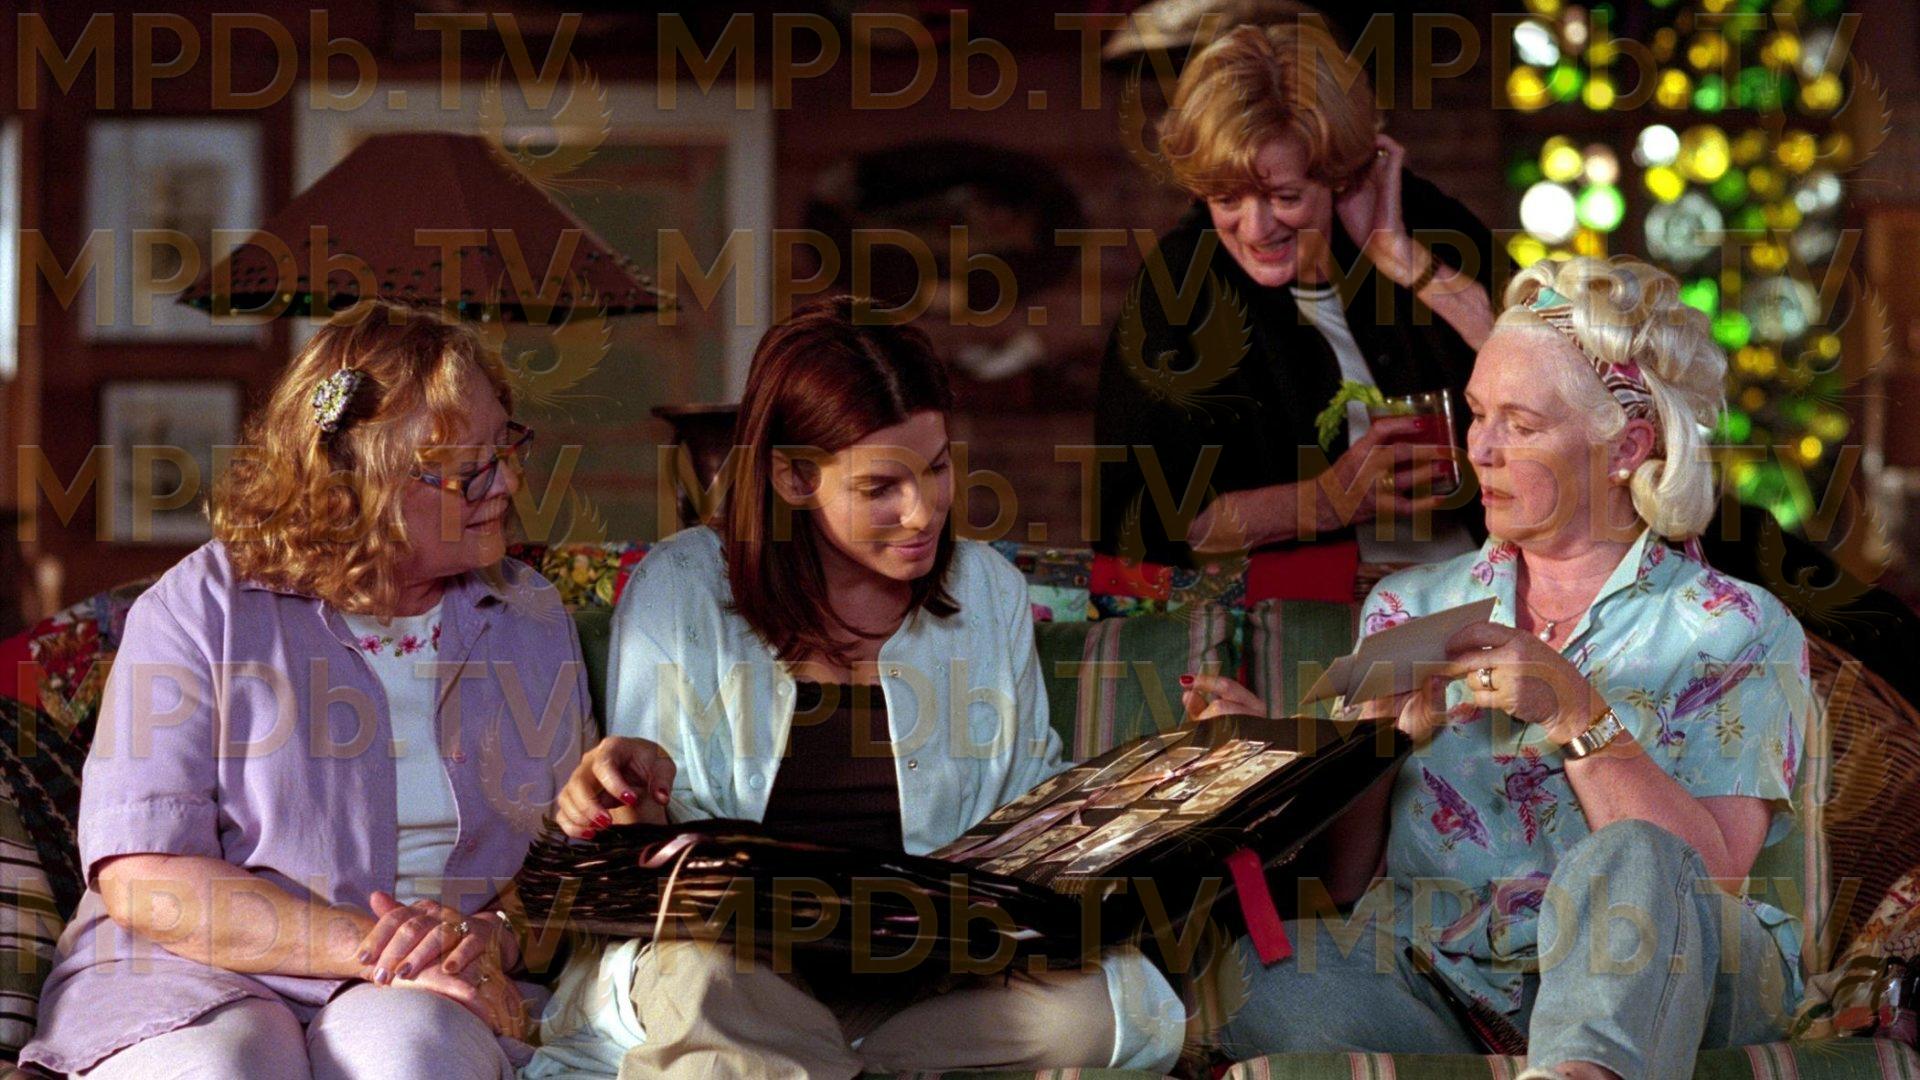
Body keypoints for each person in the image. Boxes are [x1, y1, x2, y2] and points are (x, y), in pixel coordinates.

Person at [522, 296, 1186, 1079]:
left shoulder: (987, 591)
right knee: (703, 982)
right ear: (793, 477)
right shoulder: (681, 589)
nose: (923, 512)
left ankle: (811, 1066)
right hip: (742, 970)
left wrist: (1165, 784)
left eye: (937, 468)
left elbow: (1027, 809)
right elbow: (650, 854)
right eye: (881, 488)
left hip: (933, 985)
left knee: (1092, 1011)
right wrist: (626, 792)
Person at [1187, 257, 1812, 1079]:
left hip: (1674, 982)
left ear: (1626, 447)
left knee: (1638, 853)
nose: (1478, 449)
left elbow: (1714, 877)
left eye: (1520, 425)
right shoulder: (1409, 607)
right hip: (1447, 985)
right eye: (1478, 414)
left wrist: (1575, 713)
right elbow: (1340, 881)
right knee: (1264, 976)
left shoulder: (1735, 625)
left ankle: (1583, 1063)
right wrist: (1359, 747)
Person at [20, 302, 590, 1079]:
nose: (509, 482)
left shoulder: (530, 617)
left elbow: (570, 863)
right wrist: (378, 947)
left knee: (411, 1058)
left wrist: (492, 937)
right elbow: (144, 879)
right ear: (358, 480)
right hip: (191, 967)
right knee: (225, 1068)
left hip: (430, 983)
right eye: (469, 468)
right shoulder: (200, 610)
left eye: (506, 448)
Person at [1094, 21, 1502, 571]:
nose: (1255, 228)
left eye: (1285, 197)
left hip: (1489, 582)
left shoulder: (1416, 216)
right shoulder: (1179, 286)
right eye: (1226, 199)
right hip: (1310, 612)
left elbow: (1564, 375)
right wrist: (1328, 500)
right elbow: (1141, 526)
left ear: (1337, 173)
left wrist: (1406, 261)